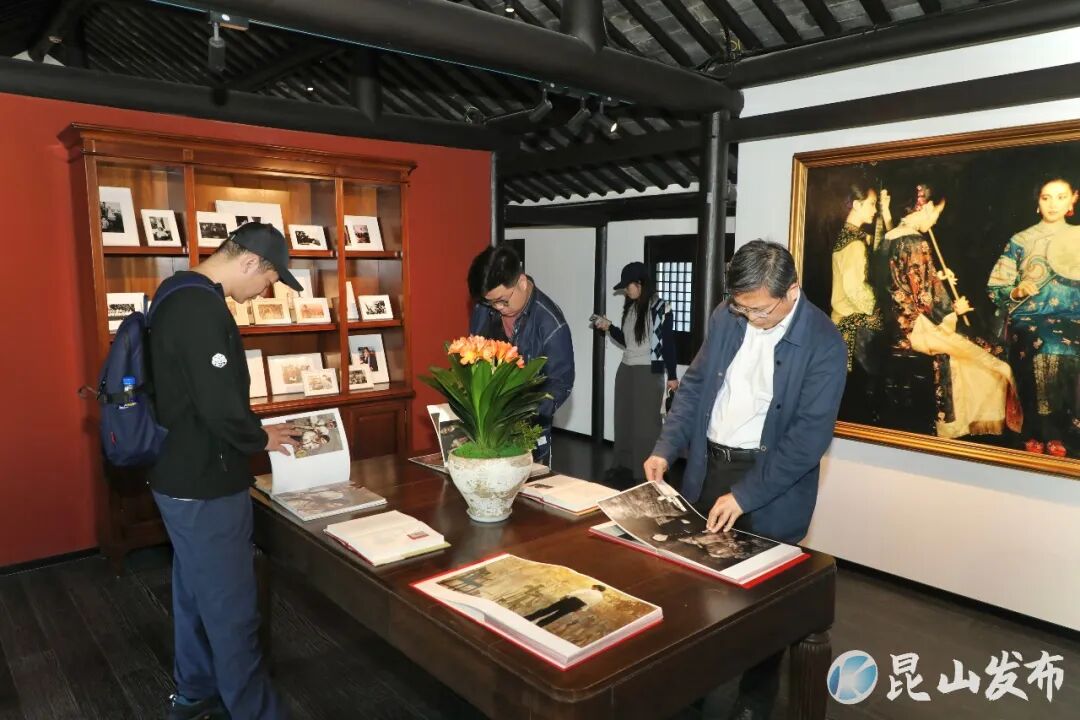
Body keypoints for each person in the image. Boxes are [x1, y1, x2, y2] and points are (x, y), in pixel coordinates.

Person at [643, 239, 847, 720]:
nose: (750, 318)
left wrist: (745, 493)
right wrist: (665, 447)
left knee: (762, 607)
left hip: (769, 481)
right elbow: (696, 385)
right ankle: (691, 689)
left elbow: (807, 440)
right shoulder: (727, 315)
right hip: (709, 466)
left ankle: (753, 704)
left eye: (759, 310)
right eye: (742, 307)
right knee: (695, 585)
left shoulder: (824, 343)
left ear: (792, 291)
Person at [149, 222, 303, 720]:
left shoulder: (175, 292)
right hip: (206, 483)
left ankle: (194, 692)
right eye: (269, 279)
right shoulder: (201, 309)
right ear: (250, 262)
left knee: (195, 593)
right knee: (233, 610)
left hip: (179, 475)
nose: (267, 291)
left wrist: (254, 432)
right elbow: (219, 406)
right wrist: (260, 438)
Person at [882, 187, 1019, 439]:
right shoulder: (915, 241)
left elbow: (903, 281)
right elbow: (926, 301)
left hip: (897, 323)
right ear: (926, 207)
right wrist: (955, 309)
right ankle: (962, 426)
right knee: (995, 356)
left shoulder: (890, 236)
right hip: (918, 328)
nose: (935, 221)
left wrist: (937, 276)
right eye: (936, 213)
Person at [988, 175, 1080, 456]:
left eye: (1061, 197)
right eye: (1046, 197)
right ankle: (1040, 431)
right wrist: (1016, 291)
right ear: (1037, 202)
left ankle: (1066, 428)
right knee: (1047, 345)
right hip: (1032, 316)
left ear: (1073, 200)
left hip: (1074, 316)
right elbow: (996, 287)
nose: (1053, 204)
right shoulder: (1021, 240)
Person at [468, 245, 574, 463]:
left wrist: (525, 410)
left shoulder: (551, 324)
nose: (497, 307)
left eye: (503, 300)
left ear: (522, 282)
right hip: (487, 427)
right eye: (490, 302)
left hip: (528, 429)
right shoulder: (484, 308)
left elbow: (560, 383)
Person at [592, 261, 678, 484]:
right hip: (626, 368)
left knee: (646, 424)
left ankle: (646, 472)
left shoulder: (661, 307)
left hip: (648, 371)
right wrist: (609, 327)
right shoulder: (630, 308)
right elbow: (627, 341)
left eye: (627, 286)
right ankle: (623, 465)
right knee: (624, 419)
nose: (625, 291)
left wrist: (672, 375)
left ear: (640, 283)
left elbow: (668, 344)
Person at [830, 183, 890, 373]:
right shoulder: (854, 244)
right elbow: (855, 290)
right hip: (852, 327)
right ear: (857, 205)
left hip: (843, 321)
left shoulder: (848, 235)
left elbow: (884, 245)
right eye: (872, 204)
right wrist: (878, 309)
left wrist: (887, 216)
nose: (875, 210)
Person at [523, 585, 606, 628]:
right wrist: (581, 609)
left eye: (593, 587)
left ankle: (530, 618)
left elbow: (577, 593)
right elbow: (590, 604)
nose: (592, 587)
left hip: (571, 600)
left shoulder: (589, 590)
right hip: (578, 605)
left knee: (549, 609)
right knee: (557, 615)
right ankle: (540, 624)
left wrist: (566, 596)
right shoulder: (600, 597)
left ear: (596, 587)